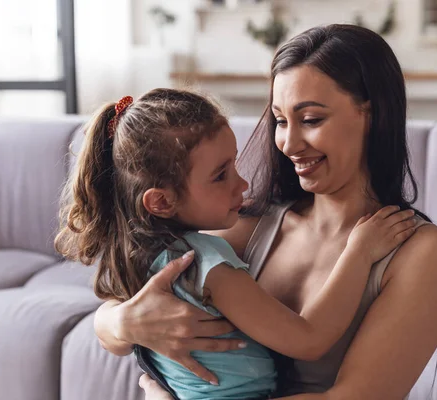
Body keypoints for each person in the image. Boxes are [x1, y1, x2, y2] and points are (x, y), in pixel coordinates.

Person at [94, 24, 437, 399]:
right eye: (281, 121)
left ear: (372, 113)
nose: (289, 143)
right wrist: (123, 323)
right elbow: (124, 298)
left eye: (311, 120)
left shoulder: (427, 254)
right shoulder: (244, 225)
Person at [55, 87, 417, 400]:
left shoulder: (142, 258)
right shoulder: (205, 262)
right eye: (221, 175)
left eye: (310, 119)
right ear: (161, 202)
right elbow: (308, 339)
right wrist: (359, 252)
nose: (242, 185)